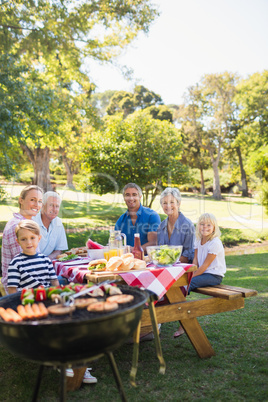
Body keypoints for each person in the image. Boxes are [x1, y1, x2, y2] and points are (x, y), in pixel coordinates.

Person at [175, 212, 226, 338]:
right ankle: (175, 306)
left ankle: (183, 323)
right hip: (202, 272)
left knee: (188, 283)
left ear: (214, 227)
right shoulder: (198, 239)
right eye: (202, 224)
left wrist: (190, 277)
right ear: (198, 226)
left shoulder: (215, 243)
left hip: (213, 275)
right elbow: (196, 262)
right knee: (181, 281)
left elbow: (204, 266)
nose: (205, 227)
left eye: (209, 225)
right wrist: (190, 272)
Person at [1, 185, 43, 294]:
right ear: (21, 200)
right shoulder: (18, 227)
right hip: (20, 289)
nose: (37, 205)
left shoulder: (27, 223)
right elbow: (25, 270)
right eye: (32, 200)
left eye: (39, 201)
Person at [7, 220, 59, 293]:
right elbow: (12, 289)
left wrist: (56, 295)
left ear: (39, 238)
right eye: (23, 239)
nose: (28, 242)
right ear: (18, 241)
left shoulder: (46, 260)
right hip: (27, 299)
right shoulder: (15, 263)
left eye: (32, 238)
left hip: (45, 297)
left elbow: (54, 281)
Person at [115, 183, 161, 253]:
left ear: (140, 197)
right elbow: (115, 243)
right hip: (128, 261)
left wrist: (133, 251)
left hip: (148, 261)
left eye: (134, 195)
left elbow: (153, 243)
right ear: (124, 198)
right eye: (127, 195)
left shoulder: (152, 216)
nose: (131, 198)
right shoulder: (121, 220)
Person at [157, 187, 195, 263]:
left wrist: (168, 260)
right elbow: (160, 252)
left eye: (171, 202)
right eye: (164, 203)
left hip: (183, 270)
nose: (168, 206)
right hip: (165, 268)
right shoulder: (161, 226)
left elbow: (189, 255)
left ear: (178, 203)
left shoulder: (188, 226)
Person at [33, 191, 68, 260]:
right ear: (42, 205)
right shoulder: (32, 222)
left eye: (57, 206)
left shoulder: (58, 222)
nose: (54, 209)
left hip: (47, 264)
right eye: (51, 205)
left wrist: (46, 260)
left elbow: (59, 250)